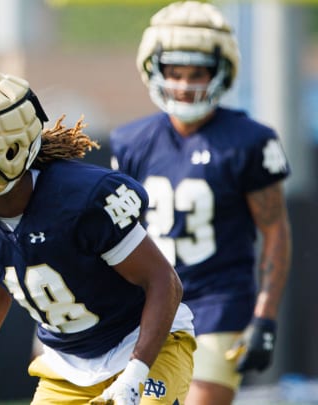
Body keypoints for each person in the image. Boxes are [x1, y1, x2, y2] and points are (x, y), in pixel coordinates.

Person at [0, 67, 196, 405]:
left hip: (145, 345)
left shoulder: (80, 200)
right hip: (68, 366)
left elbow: (165, 282)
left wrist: (135, 373)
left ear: (9, 153)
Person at [110, 2, 292, 404]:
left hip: (218, 302)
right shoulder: (131, 141)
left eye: (198, 73)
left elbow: (275, 229)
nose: (185, 85)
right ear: (154, 71)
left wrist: (265, 314)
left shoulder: (249, 140)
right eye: (175, 73)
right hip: (151, 302)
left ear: (220, 72)